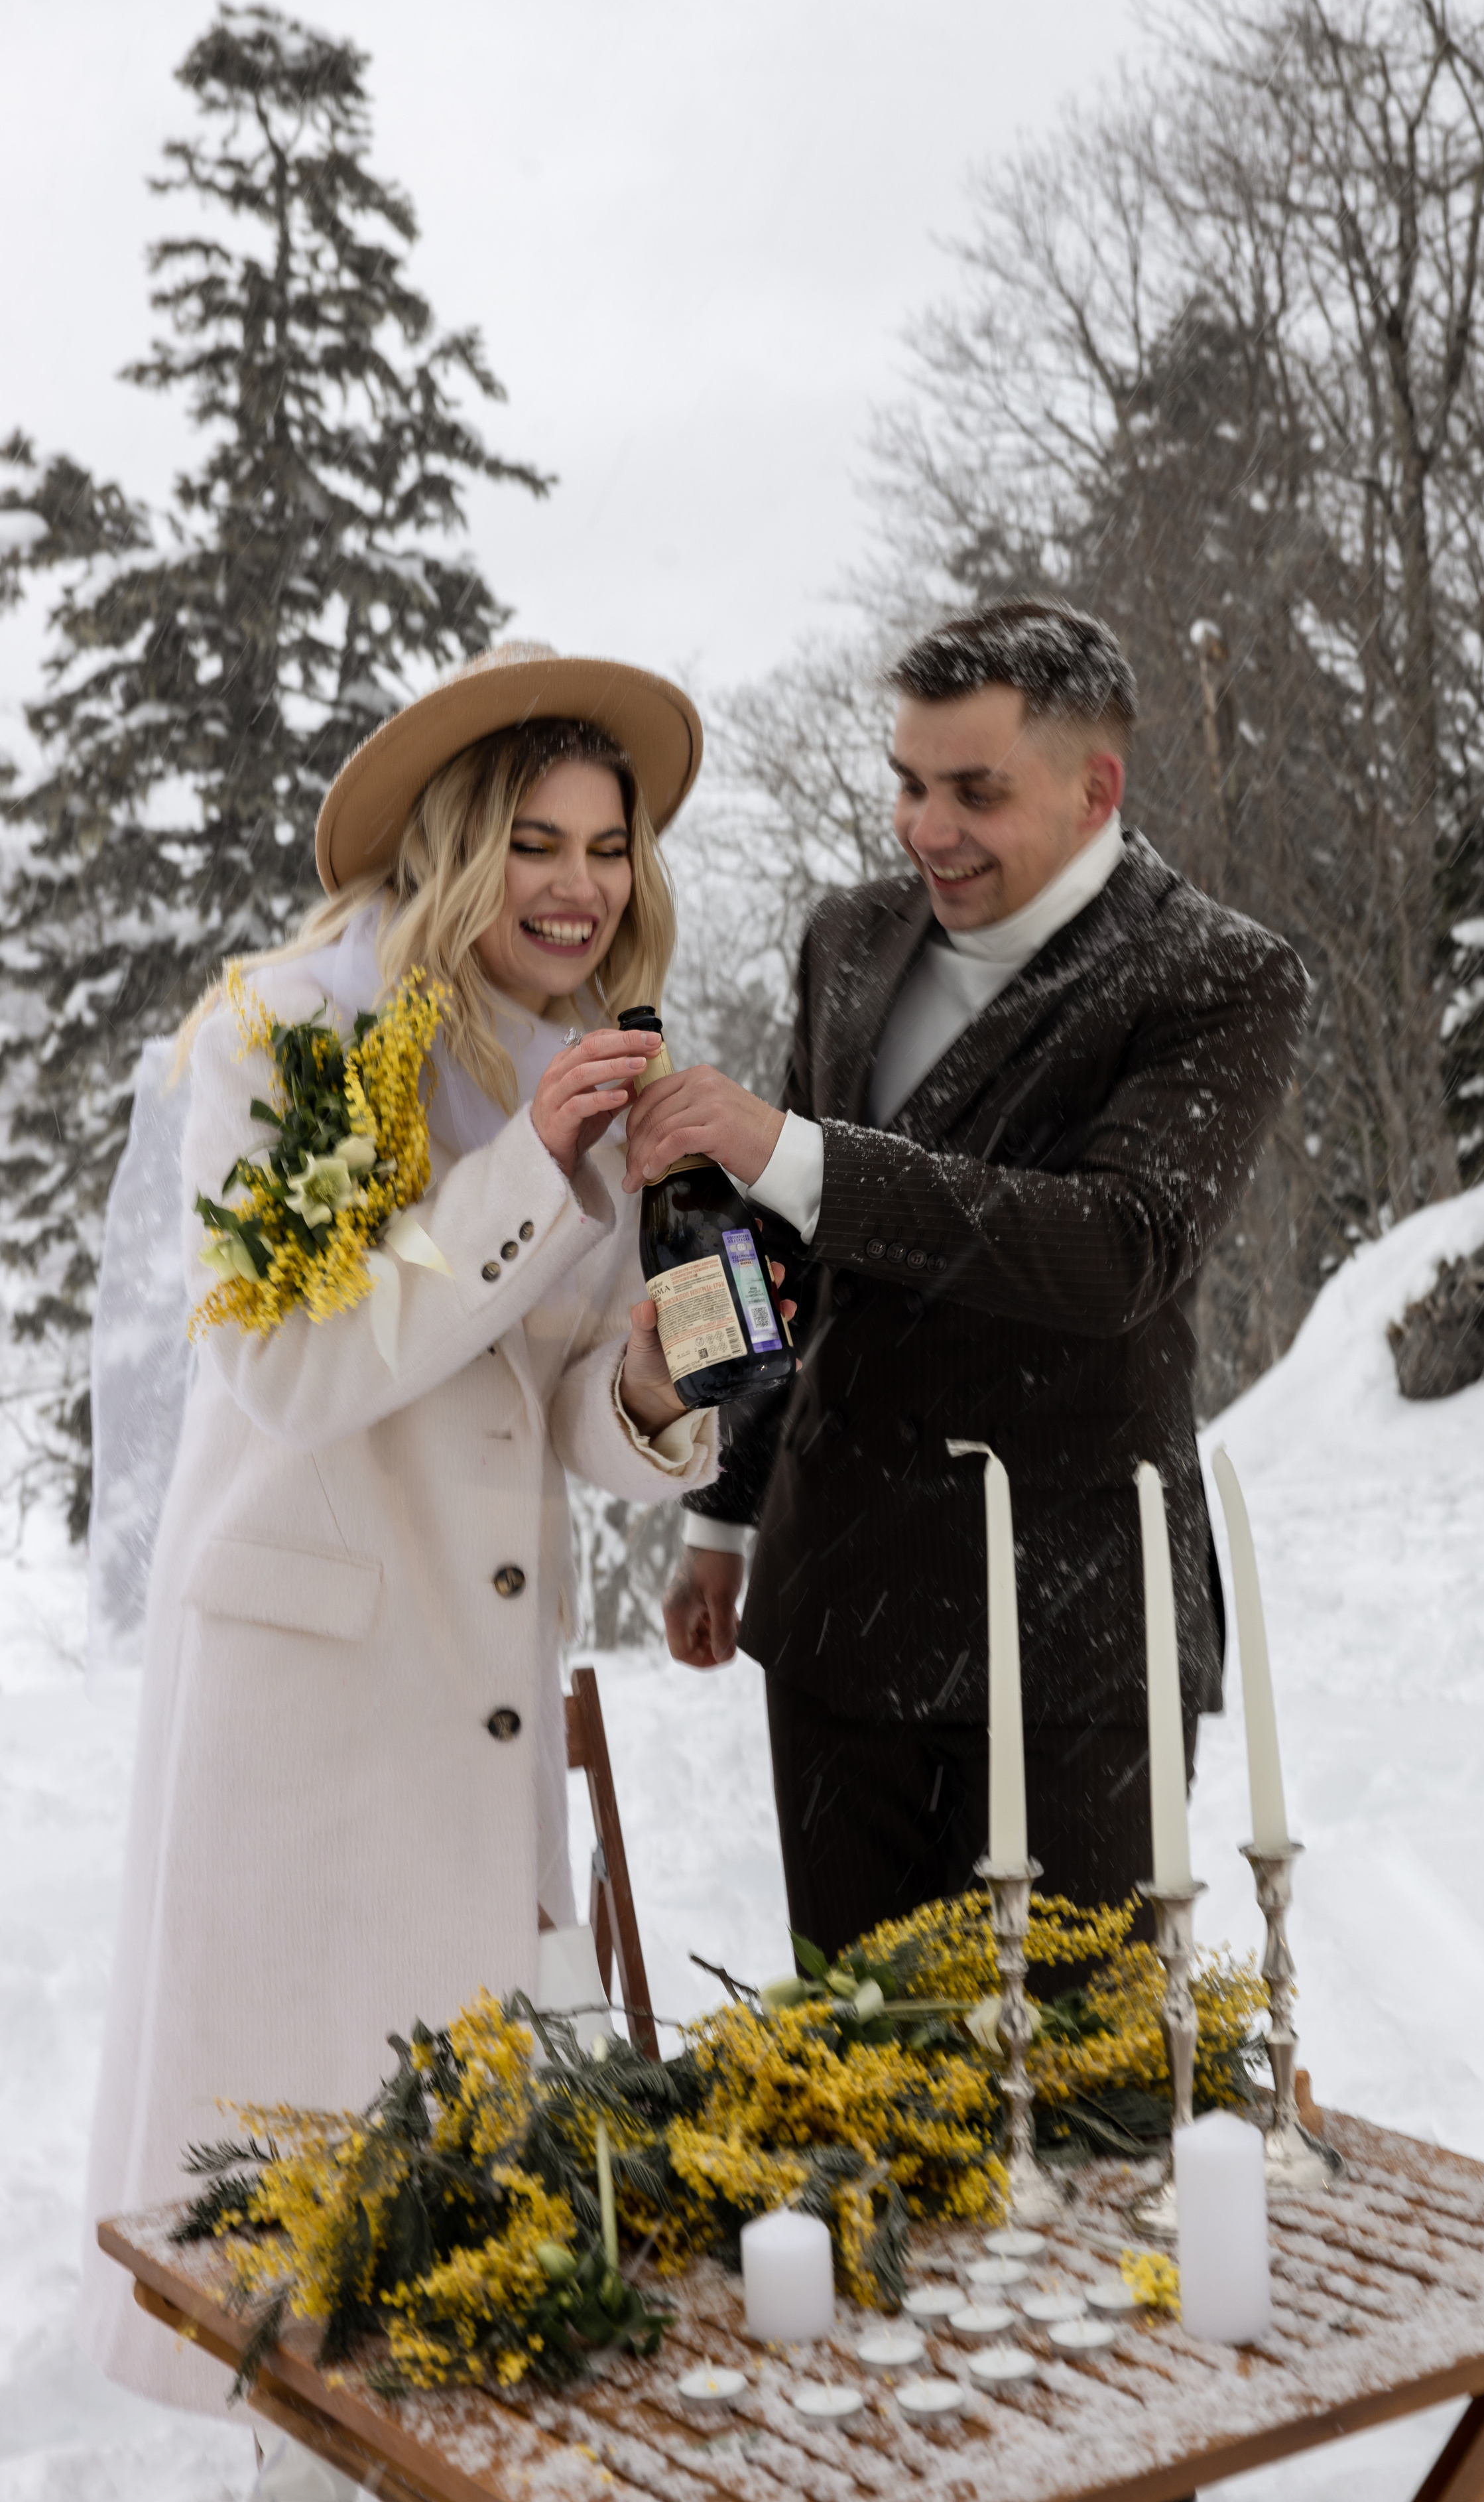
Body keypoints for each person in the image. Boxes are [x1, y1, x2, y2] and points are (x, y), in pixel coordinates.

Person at [80, 643, 724, 2444]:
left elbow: (572, 1413)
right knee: (303, 2266)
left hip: (485, 1700)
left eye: (610, 846)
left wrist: (667, 1376)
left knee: (471, 2264)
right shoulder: (279, 1034)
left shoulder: (599, 1069)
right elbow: (292, 1366)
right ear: (454, 841)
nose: (581, 884)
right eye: (536, 839)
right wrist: (531, 1164)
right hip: (308, 1720)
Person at [629, 601, 1308, 1963]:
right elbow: (791, 1257)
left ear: (1092, 786)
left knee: (1071, 2112)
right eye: (908, 782)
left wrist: (792, 1151)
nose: (923, 827)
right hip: (833, 1614)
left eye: (973, 792)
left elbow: (1115, 1248)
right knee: (844, 2070)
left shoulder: (1218, 977)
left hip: (1073, 1638)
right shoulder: (848, 939)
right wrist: (720, 1506)